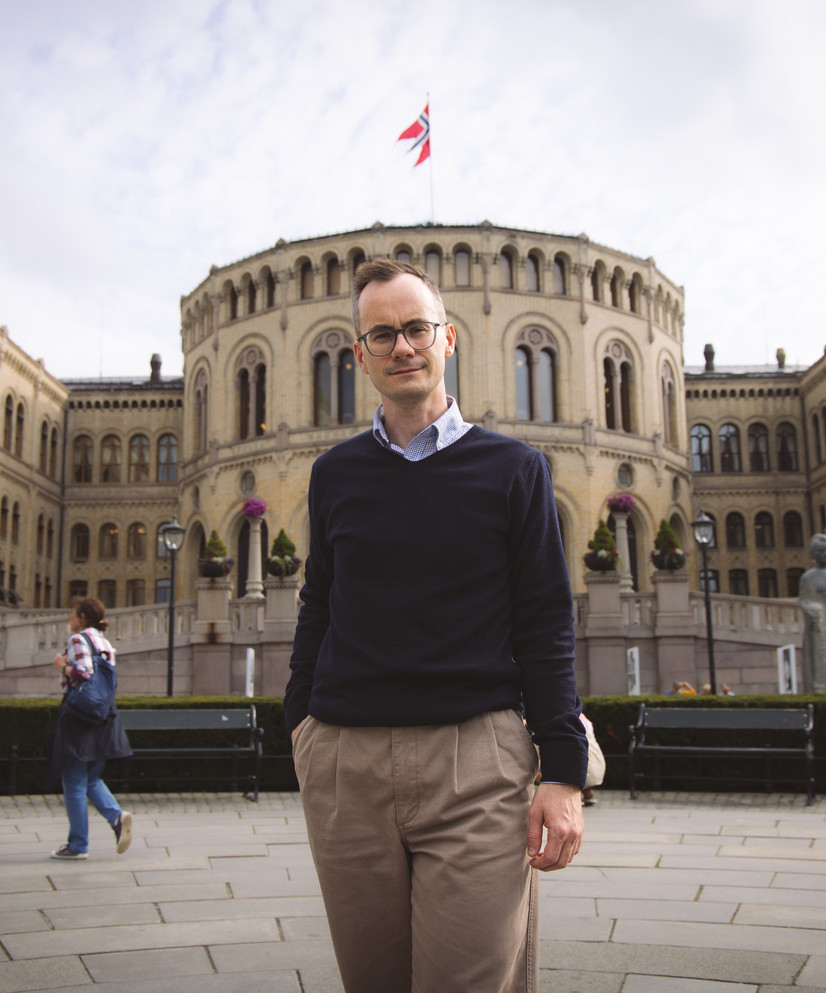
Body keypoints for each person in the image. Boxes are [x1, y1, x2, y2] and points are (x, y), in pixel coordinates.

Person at [284, 257, 587, 993]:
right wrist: (300, 722)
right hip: (346, 765)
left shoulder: (515, 468)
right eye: (381, 334)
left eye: (415, 328)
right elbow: (319, 600)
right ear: (360, 355)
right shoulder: (335, 474)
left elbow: (544, 619)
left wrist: (565, 772)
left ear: (447, 338)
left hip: (475, 764)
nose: (402, 346)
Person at [46, 597, 133, 860]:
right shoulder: (105, 643)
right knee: (91, 777)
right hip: (103, 715)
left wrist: (63, 666)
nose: (69, 618)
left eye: (72, 613)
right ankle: (117, 816)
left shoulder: (78, 639)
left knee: (72, 780)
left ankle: (78, 845)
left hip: (80, 717)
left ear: (82, 617)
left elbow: (84, 673)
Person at [799, 533, 826, 693]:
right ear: (813, 554)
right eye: (820, 551)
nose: (824, 554)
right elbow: (804, 600)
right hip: (820, 622)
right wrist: (812, 610)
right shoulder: (808, 577)